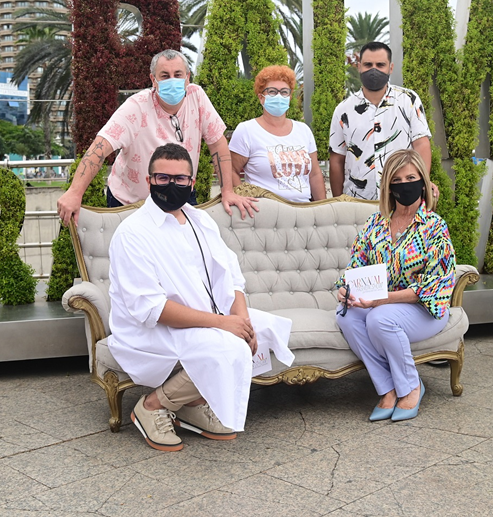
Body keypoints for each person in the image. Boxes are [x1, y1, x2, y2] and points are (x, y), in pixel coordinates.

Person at [107, 143, 295, 451]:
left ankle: (192, 402)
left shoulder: (200, 220)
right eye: (163, 178)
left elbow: (231, 276)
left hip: (205, 321)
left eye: (180, 179)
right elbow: (151, 309)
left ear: (192, 183)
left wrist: (241, 319)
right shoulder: (133, 234)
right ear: (149, 181)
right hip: (154, 331)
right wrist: (224, 324)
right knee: (227, 346)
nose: (172, 185)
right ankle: (153, 406)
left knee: (265, 330)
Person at [56, 49, 258, 225]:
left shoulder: (197, 97)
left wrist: (228, 191)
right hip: (132, 203)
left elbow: (218, 144)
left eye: (178, 74)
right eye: (165, 75)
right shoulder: (135, 107)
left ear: (187, 77)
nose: (173, 80)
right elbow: (99, 149)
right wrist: (75, 192)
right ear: (153, 80)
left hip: (181, 195)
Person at [335, 149, 455, 422]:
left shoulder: (435, 227)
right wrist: (345, 289)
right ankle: (387, 388)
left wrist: (383, 300)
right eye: (397, 180)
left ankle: (412, 386)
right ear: (388, 186)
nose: (405, 184)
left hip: (425, 308)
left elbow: (434, 287)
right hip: (383, 304)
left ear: (423, 182)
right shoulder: (375, 224)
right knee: (346, 316)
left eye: (411, 177)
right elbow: (355, 267)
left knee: (380, 319)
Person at [329, 41, 439, 202]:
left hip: (401, 198)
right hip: (357, 202)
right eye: (368, 64)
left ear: (390, 68)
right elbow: (337, 160)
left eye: (380, 65)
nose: (374, 70)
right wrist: (338, 201)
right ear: (359, 67)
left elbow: (421, 144)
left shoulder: (408, 100)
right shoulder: (343, 110)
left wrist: (422, 182)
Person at [229, 65, 326, 202]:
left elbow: (315, 174)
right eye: (272, 92)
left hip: (304, 211)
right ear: (261, 97)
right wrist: (243, 200)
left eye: (284, 92)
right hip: (265, 212)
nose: (279, 96)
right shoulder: (246, 130)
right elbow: (231, 170)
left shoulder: (303, 130)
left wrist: (321, 208)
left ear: (290, 96)